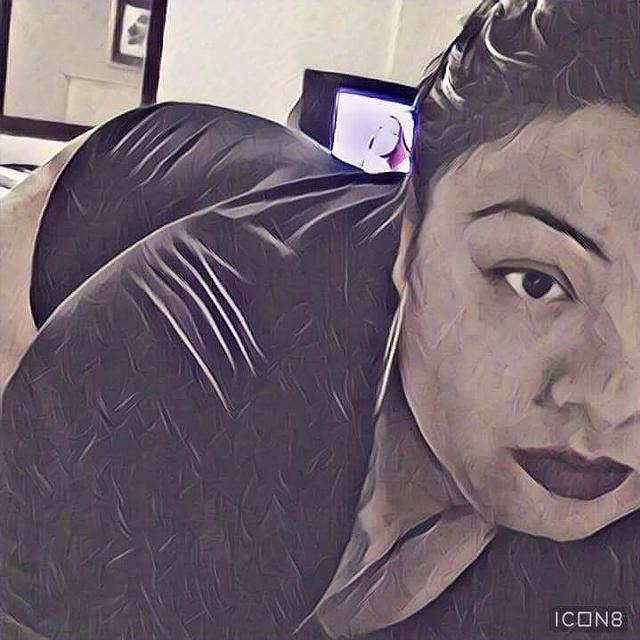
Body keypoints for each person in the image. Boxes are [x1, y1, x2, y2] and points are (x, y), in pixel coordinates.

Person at [2, 1, 640, 639]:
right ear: (409, 233)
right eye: (536, 283)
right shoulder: (194, 341)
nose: (616, 405)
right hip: (101, 192)